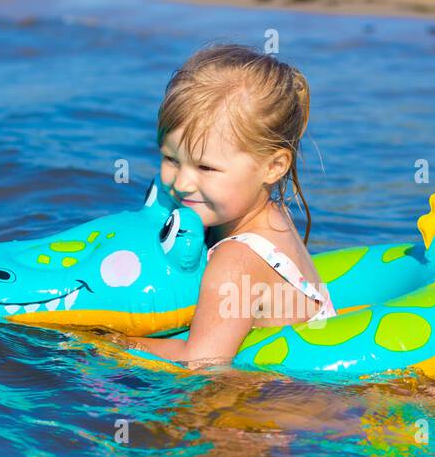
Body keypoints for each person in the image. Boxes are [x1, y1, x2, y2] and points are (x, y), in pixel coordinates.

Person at [121, 43, 335, 368]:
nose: (181, 183)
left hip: (276, 406)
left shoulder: (236, 259)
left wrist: (107, 343)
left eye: (206, 168)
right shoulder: (270, 214)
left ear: (273, 167)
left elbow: (201, 363)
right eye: (170, 159)